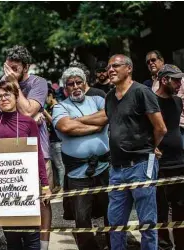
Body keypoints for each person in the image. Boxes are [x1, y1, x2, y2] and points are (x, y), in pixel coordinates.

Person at [0, 44, 50, 250]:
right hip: (3, 189)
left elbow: (38, 155)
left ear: (16, 97)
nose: (3, 98)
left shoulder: (28, 122)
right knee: (12, 240)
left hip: (25, 185)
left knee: (31, 239)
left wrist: (44, 185)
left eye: (8, 95)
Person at [104, 54, 167, 250]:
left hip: (141, 165)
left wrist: (150, 147)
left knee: (147, 221)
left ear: (128, 69)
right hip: (116, 169)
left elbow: (160, 128)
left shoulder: (141, 92)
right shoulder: (109, 97)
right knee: (115, 223)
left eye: (116, 66)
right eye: (109, 67)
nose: (111, 70)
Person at [52, 67, 110, 250]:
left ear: (85, 84)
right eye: (71, 84)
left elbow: (106, 116)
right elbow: (67, 127)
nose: (76, 86)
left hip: (104, 167)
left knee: (112, 211)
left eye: (79, 82)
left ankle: (114, 244)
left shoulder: (99, 100)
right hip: (77, 173)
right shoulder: (60, 107)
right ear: (65, 88)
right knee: (82, 217)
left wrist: (78, 119)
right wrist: (95, 126)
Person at [155, 64, 184, 250]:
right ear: (164, 80)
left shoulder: (178, 102)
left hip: (179, 162)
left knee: (181, 208)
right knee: (160, 210)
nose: (180, 83)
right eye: (176, 80)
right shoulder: (151, 102)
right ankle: (164, 246)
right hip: (159, 164)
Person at [44, 88, 65, 192]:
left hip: (57, 140)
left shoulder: (58, 107)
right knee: (55, 166)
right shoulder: (50, 108)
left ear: (51, 95)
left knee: (60, 165)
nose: (44, 100)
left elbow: (55, 121)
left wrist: (44, 112)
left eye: (45, 97)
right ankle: (57, 185)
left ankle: (62, 187)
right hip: (51, 140)